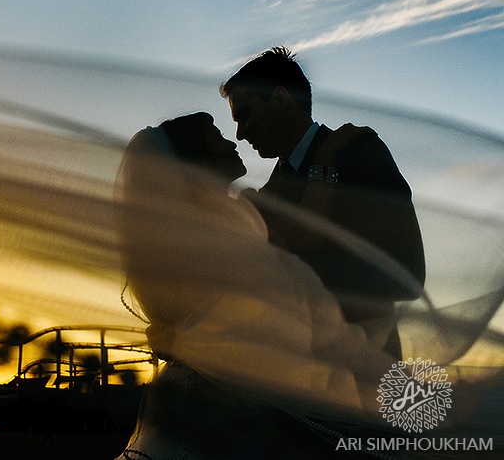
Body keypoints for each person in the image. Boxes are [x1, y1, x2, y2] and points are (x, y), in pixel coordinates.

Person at [115, 112, 397, 459]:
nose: (233, 139)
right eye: (217, 135)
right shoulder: (220, 238)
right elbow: (303, 250)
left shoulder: (235, 218)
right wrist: (326, 159)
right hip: (242, 394)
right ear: (198, 161)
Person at [219, 47, 425, 358]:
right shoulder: (270, 191)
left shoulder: (356, 152)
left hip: (368, 364)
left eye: (245, 115)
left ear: (279, 98)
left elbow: (408, 276)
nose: (239, 133)